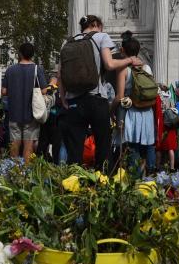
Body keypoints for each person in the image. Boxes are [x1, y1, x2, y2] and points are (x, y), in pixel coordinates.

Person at [60, 15, 141, 170]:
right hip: (96, 99)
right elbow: (110, 64)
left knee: (75, 149)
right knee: (103, 146)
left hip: (74, 102)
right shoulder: (101, 36)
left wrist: (64, 99)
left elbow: (60, 74)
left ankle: (72, 184)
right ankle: (103, 183)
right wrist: (130, 60)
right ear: (96, 24)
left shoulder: (67, 42)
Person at [113, 37, 156, 173]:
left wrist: (110, 109)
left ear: (122, 50)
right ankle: (152, 178)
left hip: (132, 112)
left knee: (133, 147)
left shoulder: (123, 69)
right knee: (149, 146)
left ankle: (135, 181)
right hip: (147, 112)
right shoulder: (146, 68)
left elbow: (120, 97)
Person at [2, 43, 47, 159]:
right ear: (32, 55)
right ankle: (26, 174)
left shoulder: (10, 70)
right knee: (29, 143)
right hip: (31, 113)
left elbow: (3, 91)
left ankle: (14, 170)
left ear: (20, 54)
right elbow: (44, 91)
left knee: (14, 142)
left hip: (14, 112)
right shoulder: (38, 69)